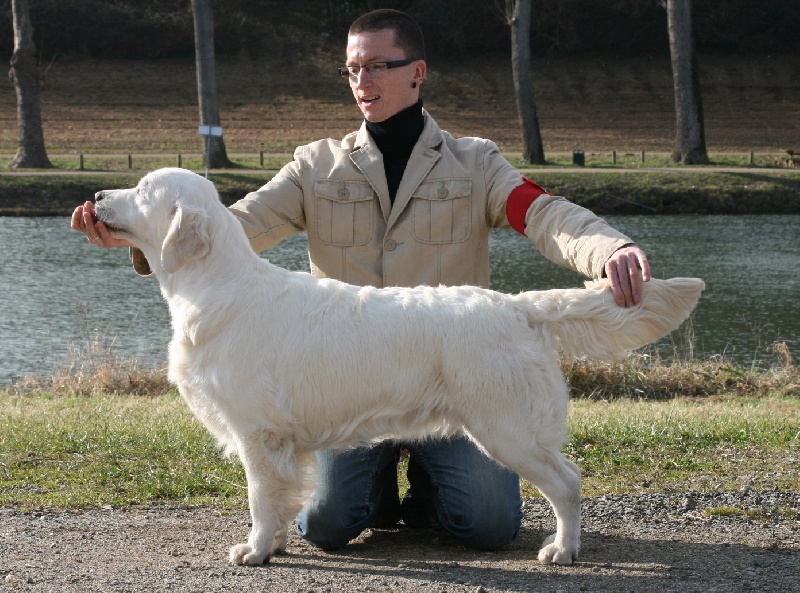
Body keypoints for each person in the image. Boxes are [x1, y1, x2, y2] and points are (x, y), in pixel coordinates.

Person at [73, 9, 650, 552]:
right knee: (325, 524)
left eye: (376, 65)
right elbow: (231, 229)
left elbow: (543, 213)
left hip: (450, 361)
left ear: (417, 72)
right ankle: (375, 488)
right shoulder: (313, 165)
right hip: (342, 381)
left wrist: (609, 248)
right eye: (352, 68)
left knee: (488, 525)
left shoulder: (476, 163)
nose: (361, 79)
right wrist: (137, 237)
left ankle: (430, 480)